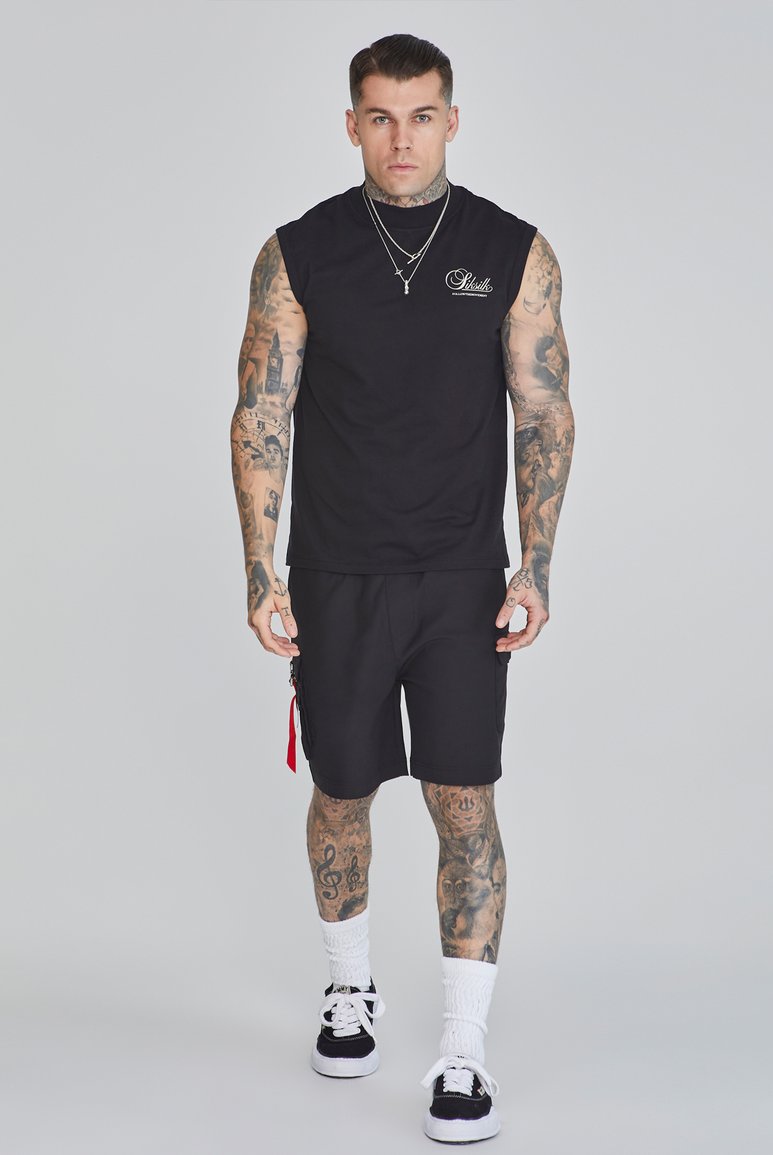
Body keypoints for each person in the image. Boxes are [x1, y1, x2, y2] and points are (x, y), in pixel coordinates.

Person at [230, 33, 574, 1145]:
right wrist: (260, 569)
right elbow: (261, 413)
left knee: (463, 800)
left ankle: (462, 1052)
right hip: (335, 575)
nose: (401, 138)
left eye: (421, 115)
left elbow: (543, 411)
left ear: (451, 120)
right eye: (379, 117)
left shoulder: (512, 249)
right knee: (341, 793)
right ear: (351, 125)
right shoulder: (300, 253)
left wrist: (535, 563)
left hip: (461, 580)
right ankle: (349, 987)